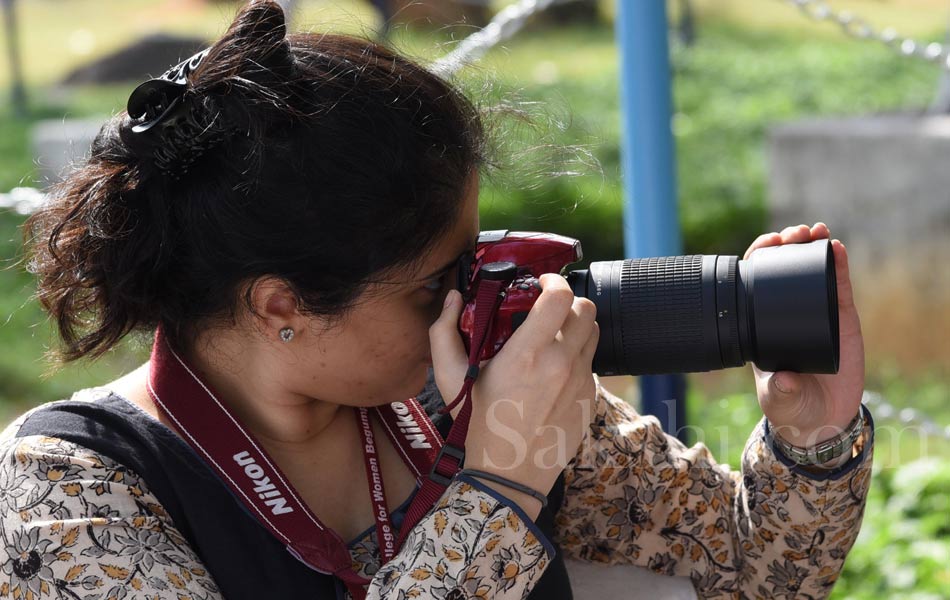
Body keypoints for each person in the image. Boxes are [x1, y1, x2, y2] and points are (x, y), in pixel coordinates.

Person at [0, 2, 873, 599]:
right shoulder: (71, 492)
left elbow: (759, 571)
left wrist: (810, 432)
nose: (476, 299)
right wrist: (494, 487)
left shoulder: (452, 386)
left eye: (477, 256)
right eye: (436, 282)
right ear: (280, 306)